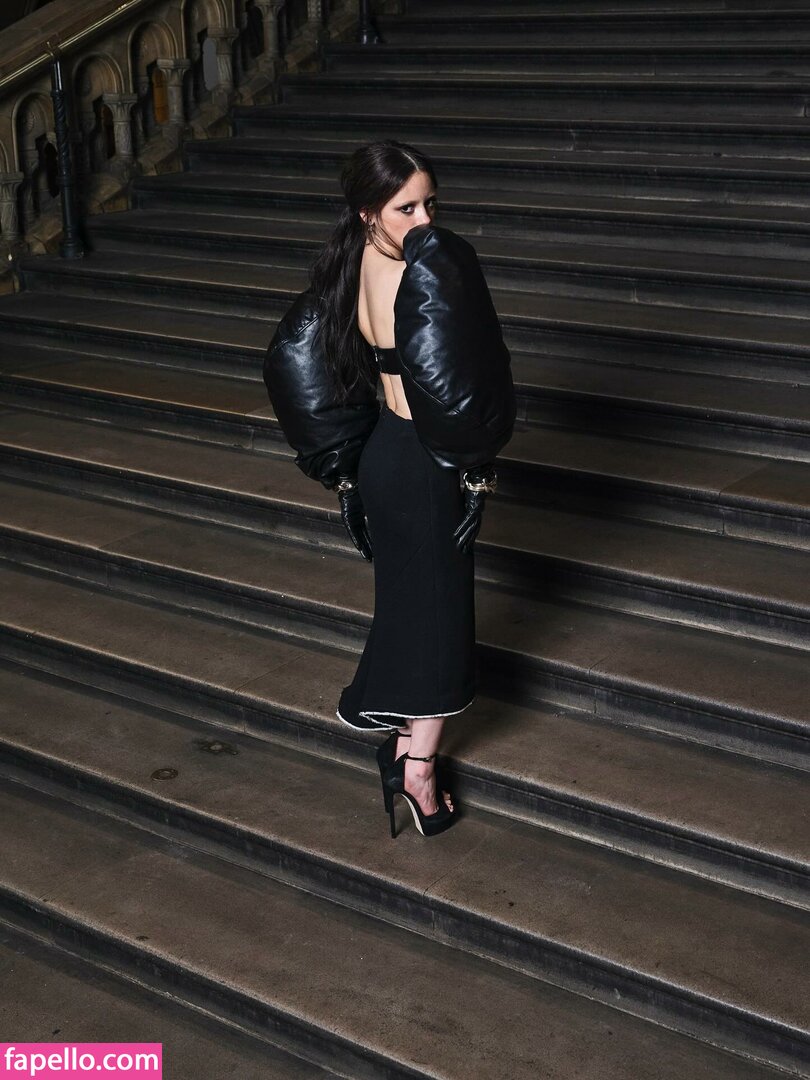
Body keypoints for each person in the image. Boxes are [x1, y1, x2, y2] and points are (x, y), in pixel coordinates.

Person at [263, 141, 515, 839]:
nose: (424, 220)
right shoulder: (420, 273)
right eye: (406, 208)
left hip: (384, 456)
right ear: (367, 211)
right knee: (440, 621)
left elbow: (297, 363)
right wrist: (474, 468)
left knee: (411, 608)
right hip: (424, 463)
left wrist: (345, 470)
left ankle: (402, 747)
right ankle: (418, 772)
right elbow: (454, 384)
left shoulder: (352, 268)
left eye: (431, 204)